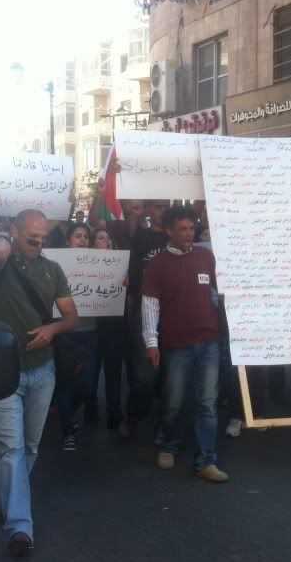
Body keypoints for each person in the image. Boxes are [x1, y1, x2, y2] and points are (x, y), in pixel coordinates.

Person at [0, 209, 78, 558]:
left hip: (42, 371)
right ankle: (20, 526)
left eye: (43, 239)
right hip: (1, 372)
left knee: (31, 446)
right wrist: (3, 233)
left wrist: (52, 329)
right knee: (12, 449)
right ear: (16, 233)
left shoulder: (53, 270)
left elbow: (71, 316)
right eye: (31, 238)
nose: (38, 244)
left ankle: (10, 499)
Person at [142, 205, 228, 482]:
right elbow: (150, 306)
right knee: (174, 402)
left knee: (207, 403)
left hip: (210, 342)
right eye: (183, 229)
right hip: (177, 345)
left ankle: (206, 460)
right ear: (169, 231)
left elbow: (221, 290)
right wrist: (151, 342)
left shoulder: (206, 257)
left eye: (192, 228)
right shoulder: (157, 264)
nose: (189, 234)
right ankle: (168, 444)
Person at [120, 199, 170, 438]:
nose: (162, 211)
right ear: (149, 209)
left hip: (174, 314)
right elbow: (130, 227)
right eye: (158, 206)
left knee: (172, 373)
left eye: (165, 207)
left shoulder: (177, 238)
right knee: (144, 374)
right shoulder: (140, 236)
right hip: (145, 312)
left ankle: (166, 423)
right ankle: (133, 416)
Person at [55, 222, 98, 452]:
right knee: (63, 385)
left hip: (90, 333)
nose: (82, 240)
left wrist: (120, 286)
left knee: (89, 386)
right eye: (77, 236)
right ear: (68, 239)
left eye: (86, 237)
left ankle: (69, 414)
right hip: (64, 334)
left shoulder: (101, 263)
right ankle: (68, 432)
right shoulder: (54, 264)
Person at [91, 227, 127, 430]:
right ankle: (91, 405)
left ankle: (114, 412)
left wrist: (126, 284)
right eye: (101, 238)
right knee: (91, 372)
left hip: (113, 326)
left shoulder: (120, 264)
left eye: (108, 238)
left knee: (113, 373)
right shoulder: (80, 265)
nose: (106, 241)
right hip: (91, 328)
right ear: (93, 243)